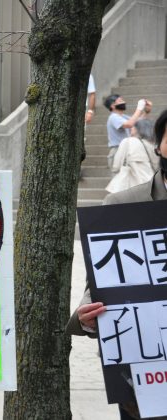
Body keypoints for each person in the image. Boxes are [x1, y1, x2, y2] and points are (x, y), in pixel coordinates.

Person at [67, 110, 167, 420]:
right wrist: (87, 316)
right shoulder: (123, 206)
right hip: (145, 379)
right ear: (159, 145)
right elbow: (100, 285)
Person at [105, 119, 158, 193]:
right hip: (149, 183)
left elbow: (116, 166)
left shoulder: (127, 141)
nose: (131, 128)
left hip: (129, 185)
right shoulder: (153, 145)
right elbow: (156, 166)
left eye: (133, 127)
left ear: (137, 129)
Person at [104, 94, 150, 171]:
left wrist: (146, 111)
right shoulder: (113, 117)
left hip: (126, 149)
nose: (124, 102)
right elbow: (129, 124)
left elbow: (138, 121)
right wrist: (139, 108)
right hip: (117, 150)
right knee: (118, 179)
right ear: (112, 106)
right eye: (120, 101)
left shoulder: (123, 116)